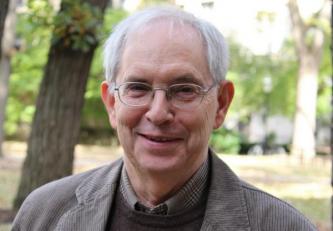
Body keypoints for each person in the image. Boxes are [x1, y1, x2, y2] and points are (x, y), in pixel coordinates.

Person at [13, 6, 317, 231]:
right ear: (111, 103)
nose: (158, 113)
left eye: (184, 89)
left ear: (221, 104)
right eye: (137, 88)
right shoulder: (44, 215)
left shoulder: (283, 226)